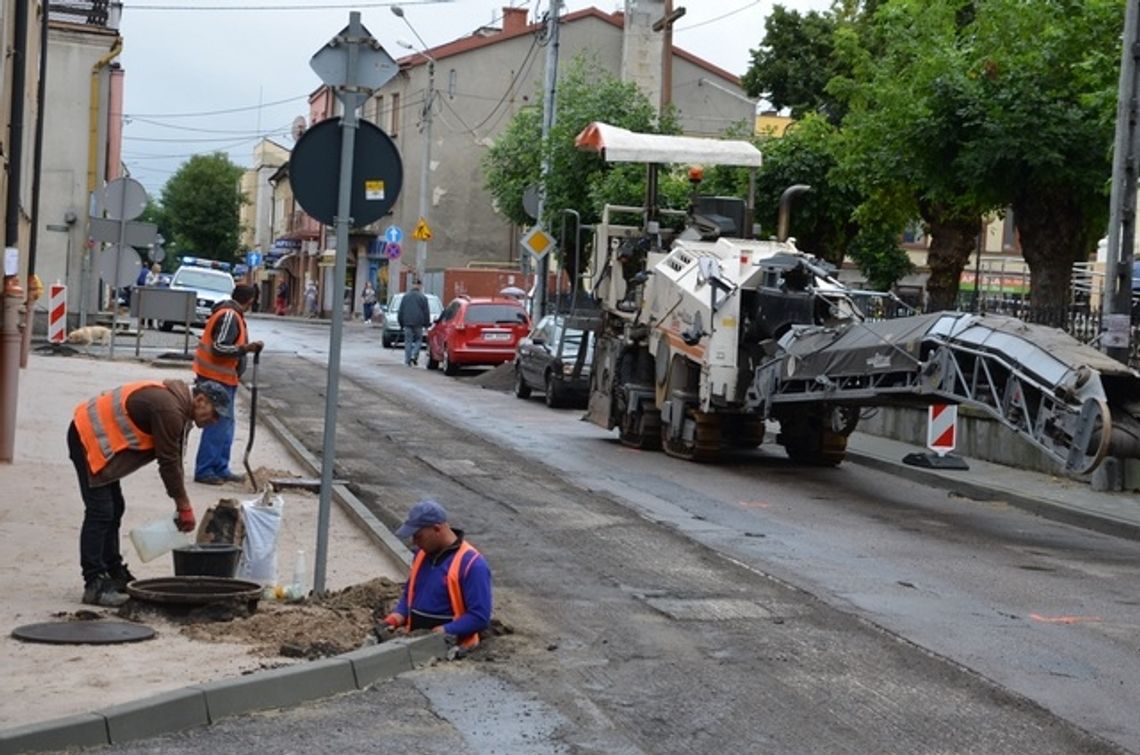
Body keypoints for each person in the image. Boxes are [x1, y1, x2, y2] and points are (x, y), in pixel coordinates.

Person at [68, 378, 231, 606]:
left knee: (115, 507)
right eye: (214, 414)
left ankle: (113, 572)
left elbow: (174, 458)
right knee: (101, 511)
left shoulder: (179, 407)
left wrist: (182, 502)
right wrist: (183, 506)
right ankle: (94, 582)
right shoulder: (170, 410)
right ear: (201, 400)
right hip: (87, 436)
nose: (214, 421)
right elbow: (168, 462)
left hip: (98, 440)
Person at [381, 499, 492, 651]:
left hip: (453, 650)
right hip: (414, 644)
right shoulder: (421, 555)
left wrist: (444, 631)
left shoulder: (472, 564)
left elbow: (479, 617)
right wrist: (396, 617)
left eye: (418, 536)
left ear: (437, 529)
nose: (414, 542)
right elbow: (410, 595)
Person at [192, 284, 264, 485]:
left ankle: (220, 468)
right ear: (250, 300)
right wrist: (245, 349)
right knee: (216, 424)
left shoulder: (233, 315)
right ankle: (205, 470)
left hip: (223, 379)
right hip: (215, 379)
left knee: (225, 426)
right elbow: (219, 347)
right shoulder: (229, 316)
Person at [397, 281, 431, 366]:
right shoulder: (423, 298)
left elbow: (401, 311)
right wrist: (427, 324)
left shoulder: (405, 297)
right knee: (418, 340)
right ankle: (413, 355)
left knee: (408, 341)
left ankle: (408, 360)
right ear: (420, 287)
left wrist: (401, 323)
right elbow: (426, 312)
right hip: (418, 323)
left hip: (407, 322)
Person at [142, 263, 163, 329]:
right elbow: (147, 283)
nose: (160, 270)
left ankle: (150, 324)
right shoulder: (149, 275)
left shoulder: (157, 275)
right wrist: (155, 281)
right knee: (145, 309)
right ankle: (142, 324)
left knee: (152, 309)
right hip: (147, 293)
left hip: (153, 294)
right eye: (159, 268)